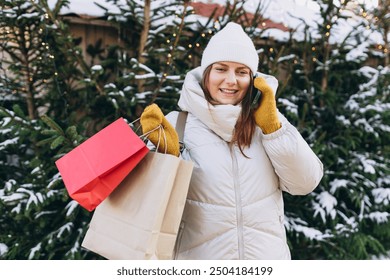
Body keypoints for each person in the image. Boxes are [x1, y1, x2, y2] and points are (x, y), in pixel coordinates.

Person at [141, 22, 323, 259]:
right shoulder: (176, 125)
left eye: (241, 72)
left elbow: (305, 183)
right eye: (221, 69)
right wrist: (167, 157)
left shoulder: (269, 123)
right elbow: (147, 207)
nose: (231, 80)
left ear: (253, 78)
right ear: (207, 73)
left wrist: (273, 130)